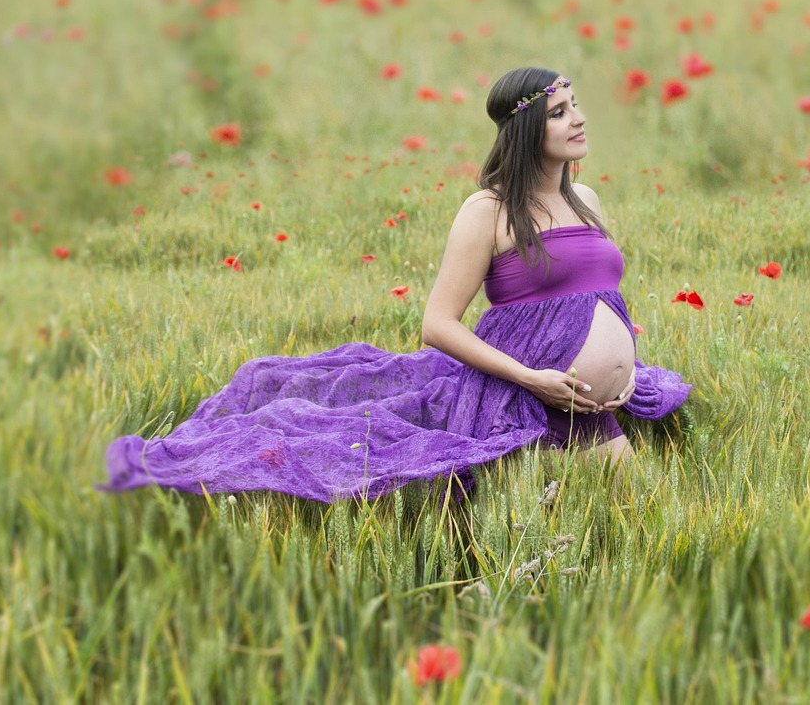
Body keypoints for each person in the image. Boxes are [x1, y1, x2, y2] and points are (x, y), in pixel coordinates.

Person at [101, 67, 691, 503]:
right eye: (559, 111)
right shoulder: (486, 212)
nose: (579, 117)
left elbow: (602, 298)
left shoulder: (586, 199)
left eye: (576, 104)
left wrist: (628, 370)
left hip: (591, 401)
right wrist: (531, 378)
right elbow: (436, 324)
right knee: (543, 519)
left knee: (644, 512)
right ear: (526, 127)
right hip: (523, 399)